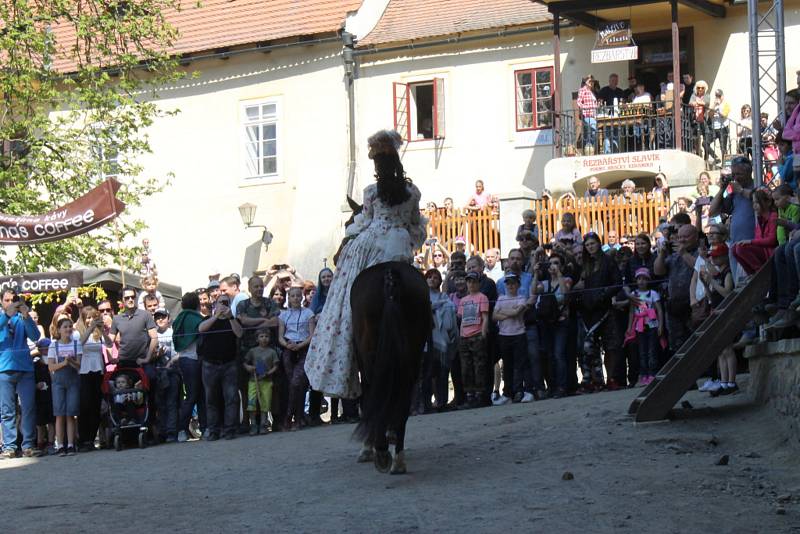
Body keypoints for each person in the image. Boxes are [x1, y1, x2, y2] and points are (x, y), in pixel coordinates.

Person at [305, 129, 427, 399]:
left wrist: (350, 238)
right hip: (398, 245)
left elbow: (365, 222)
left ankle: (343, 341)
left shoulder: (371, 192)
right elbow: (415, 226)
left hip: (371, 244)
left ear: (377, 165)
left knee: (342, 298)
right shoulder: (412, 192)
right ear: (397, 162)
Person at [574, 232, 623, 390]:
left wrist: (603, 295)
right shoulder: (583, 265)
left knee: (611, 346)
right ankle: (596, 381)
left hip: (605, 310)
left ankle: (612, 378)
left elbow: (617, 283)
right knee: (590, 349)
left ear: (598, 243)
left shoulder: (608, 261)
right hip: (588, 312)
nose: (590, 247)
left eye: (592, 244)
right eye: (587, 245)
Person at [0, 290, 41, 459]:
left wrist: (26, 316)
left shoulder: (21, 317)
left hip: (25, 368)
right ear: (1, 302)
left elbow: (36, 336)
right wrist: (6, 316)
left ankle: (28, 445)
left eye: (13, 300)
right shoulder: (2, 318)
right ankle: (9, 447)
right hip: (4, 369)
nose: (10, 303)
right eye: (7, 300)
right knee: (7, 410)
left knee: (28, 408)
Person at [198, 293, 243, 440]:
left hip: (229, 364)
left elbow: (240, 333)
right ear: (215, 304)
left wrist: (230, 317)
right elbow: (201, 329)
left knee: (231, 398)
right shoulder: (208, 319)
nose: (223, 305)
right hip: (210, 365)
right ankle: (213, 431)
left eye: (226, 302)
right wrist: (216, 316)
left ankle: (230, 430)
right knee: (211, 399)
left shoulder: (232, 320)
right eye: (221, 302)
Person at [654, 224, 699, 355]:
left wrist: (683, 253)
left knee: (697, 342)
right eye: (679, 237)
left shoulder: (700, 251)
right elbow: (658, 271)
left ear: (695, 237)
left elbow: (700, 267)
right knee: (677, 347)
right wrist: (661, 254)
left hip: (694, 305)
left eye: (686, 237)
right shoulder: (674, 254)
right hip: (674, 306)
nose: (682, 240)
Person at [709, 156, 755, 281]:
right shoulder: (732, 192)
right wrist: (722, 188)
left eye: (739, 174)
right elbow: (712, 212)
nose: (735, 177)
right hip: (735, 246)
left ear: (749, 172)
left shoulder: (756, 186)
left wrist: (740, 190)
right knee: (739, 286)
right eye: (733, 174)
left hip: (752, 245)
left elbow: (758, 198)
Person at [492, 272, 533, 404]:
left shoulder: (521, 298)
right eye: (508, 283)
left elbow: (517, 313)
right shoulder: (501, 298)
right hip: (504, 335)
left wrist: (503, 313)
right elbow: (494, 316)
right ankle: (508, 393)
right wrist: (510, 314)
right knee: (508, 365)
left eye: (513, 283)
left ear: (518, 285)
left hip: (519, 334)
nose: (510, 285)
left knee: (521, 364)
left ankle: (525, 391)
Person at [279, 287, 315, 430]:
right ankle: (298, 418)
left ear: (301, 297)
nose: (295, 298)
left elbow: (312, 335)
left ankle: (290, 416)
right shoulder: (283, 315)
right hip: (289, 348)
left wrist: (300, 346)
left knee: (297, 382)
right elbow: (280, 336)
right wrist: (288, 345)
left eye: (297, 296)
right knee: (292, 384)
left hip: (304, 348)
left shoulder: (309, 313)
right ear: (289, 297)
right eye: (292, 296)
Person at [172, 292, 206, 442]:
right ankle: (186, 429)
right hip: (195, 359)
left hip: (184, 359)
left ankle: (191, 429)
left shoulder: (178, 319)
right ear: (197, 304)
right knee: (196, 395)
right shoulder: (197, 319)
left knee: (194, 395)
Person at [701, 245, 736, 395]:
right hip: (716, 312)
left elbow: (728, 293)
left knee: (727, 349)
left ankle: (731, 382)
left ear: (724, 257)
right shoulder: (717, 275)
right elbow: (711, 297)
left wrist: (712, 282)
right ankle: (724, 382)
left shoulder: (728, 273)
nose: (713, 259)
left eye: (716, 256)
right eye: (712, 256)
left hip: (725, 313)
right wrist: (705, 284)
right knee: (720, 350)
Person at [78, 309, 112, 452]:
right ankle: (83, 439)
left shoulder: (98, 334)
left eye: (93, 318)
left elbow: (109, 344)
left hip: (98, 371)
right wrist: (90, 327)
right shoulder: (78, 332)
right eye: (88, 318)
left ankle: (91, 439)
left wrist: (102, 330)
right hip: (85, 371)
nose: (90, 320)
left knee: (95, 406)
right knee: (85, 405)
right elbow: (79, 343)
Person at [47, 318, 82, 457]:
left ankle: (71, 444)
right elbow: (51, 367)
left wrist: (71, 361)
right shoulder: (53, 345)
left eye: (70, 327)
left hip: (73, 380)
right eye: (65, 327)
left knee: (71, 413)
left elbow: (79, 365)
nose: (68, 329)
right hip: (58, 382)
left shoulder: (76, 343)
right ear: (59, 329)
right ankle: (61, 445)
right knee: (59, 414)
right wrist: (64, 363)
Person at [425, 269, 458, 411]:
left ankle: (442, 402)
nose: (433, 279)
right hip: (427, 341)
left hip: (443, 339)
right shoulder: (422, 296)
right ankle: (427, 403)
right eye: (430, 277)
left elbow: (451, 315)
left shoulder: (444, 296)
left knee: (443, 372)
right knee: (427, 374)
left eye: (436, 277)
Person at [457, 272, 490, 408]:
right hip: (464, 336)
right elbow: (461, 319)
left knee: (479, 366)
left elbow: (485, 317)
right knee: (466, 367)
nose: (471, 284)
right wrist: (461, 335)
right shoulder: (463, 300)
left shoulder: (482, 297)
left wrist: (483, 333)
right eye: (469, 282)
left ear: (478, 283)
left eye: (473, 282)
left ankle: (480, 394)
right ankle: (469, 395)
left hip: (477, 335)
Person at [627, 268, 663, 387]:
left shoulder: (653, 293)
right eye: (639, 279)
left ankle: (652, 374)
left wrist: (661, 325)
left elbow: (659, 310)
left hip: (652, 324)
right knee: (642, 351)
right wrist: (629, 327)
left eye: (644, 279)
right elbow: (632, 312)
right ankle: (643, 375)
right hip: (639, 326)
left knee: (652, 350)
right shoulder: (634, 295)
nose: (641, 281)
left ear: (648, 280)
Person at [731, 189, 778, 276]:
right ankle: (751, 273)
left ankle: (760, 272)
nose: (754, 206)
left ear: (767, 202)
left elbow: (772, 240)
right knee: (734, 249)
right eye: (753, 203)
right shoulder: (760, 219)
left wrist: (750, 242)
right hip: (763, 251)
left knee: (740, 248)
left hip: (769, 252)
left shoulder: (773, 217)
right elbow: (758, 239)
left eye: (757, 202)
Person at [243, 329, 279, 435]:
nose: (264, 339)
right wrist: (248, 367)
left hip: (267, 381)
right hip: (253, 381)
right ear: (257, 339)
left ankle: (263, 424)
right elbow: (245, 362)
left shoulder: (272, 352)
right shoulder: (252, 351)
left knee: (265, 402)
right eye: (261, 336)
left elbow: (276, 365)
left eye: (266, 336)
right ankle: (253, 424)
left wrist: (268, 373)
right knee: (252, 402)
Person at [111, 287, 158, 368]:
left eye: (133, 297)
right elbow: (109, 341)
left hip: (141, 362)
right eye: (127, 298)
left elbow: (154, 337)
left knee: (152, 378)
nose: (130, 299)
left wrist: (147, 358)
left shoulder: (145, 315)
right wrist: (111, 358)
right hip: (123, 362)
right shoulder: (116, 318)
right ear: (122, 300)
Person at [153, 308, 180, 443]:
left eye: (163, 317)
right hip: (157, 372)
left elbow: (179, 352)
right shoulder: (152, 335)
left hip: (172, 372)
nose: (160, 320)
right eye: (157, 317)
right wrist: (156, 355)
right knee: (160, 404)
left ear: (168, 318)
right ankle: (162, 432)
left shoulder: (173, 333)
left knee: (171, 403)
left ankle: (172, 432)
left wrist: (170, 363)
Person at [598, 73, 626, 153]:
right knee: (607, 136)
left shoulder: (620, 91)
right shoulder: (604, 90)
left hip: (617, 117)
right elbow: (600, 103)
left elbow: (623, 103)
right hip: (607, 117)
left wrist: (623, 104)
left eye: (616, 80)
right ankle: (607, 153)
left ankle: (615, 152)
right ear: (609, 81)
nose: (615, 82)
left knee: (616, 136)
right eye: (613, 80)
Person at [577, 75, 598, 154]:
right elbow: (579, 101)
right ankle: (589, 149)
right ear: (586, 82)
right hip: (587, 114)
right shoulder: (583, 90)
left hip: (593, 115)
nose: (591, 83)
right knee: (593, 130)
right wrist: (585, 108)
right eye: (590, 81)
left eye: (592, 82)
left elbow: (593, 103)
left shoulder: (591, 91)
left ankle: (590, 150)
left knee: (591, 133)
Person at [710, 89, 730, 163]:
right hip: (714, 128)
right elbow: (710, 115)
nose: (718, 97)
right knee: (705, 142)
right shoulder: (714, 105)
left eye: (719, 96)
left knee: (723, 148)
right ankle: (715, 157)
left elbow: (724, 115)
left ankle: (726, 164)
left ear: (722, 96)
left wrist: (719, 108)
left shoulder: (726, 105)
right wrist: (714, 105)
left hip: (723, 128)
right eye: (716, 96)